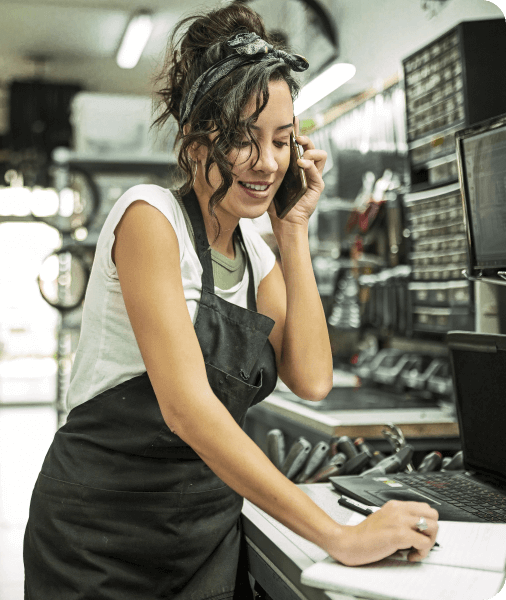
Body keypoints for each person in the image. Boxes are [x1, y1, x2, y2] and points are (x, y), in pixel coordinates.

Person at [23, 3, 439, 599]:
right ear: (196, 142)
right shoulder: (150, 220)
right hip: (101, 539)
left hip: (204, 536)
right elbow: (188, 410)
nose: (267, 162)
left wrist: (292, 232)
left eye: (282, 140)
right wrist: (336, 535)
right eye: (244, 139)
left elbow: (314, 377)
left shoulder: (258, 255)